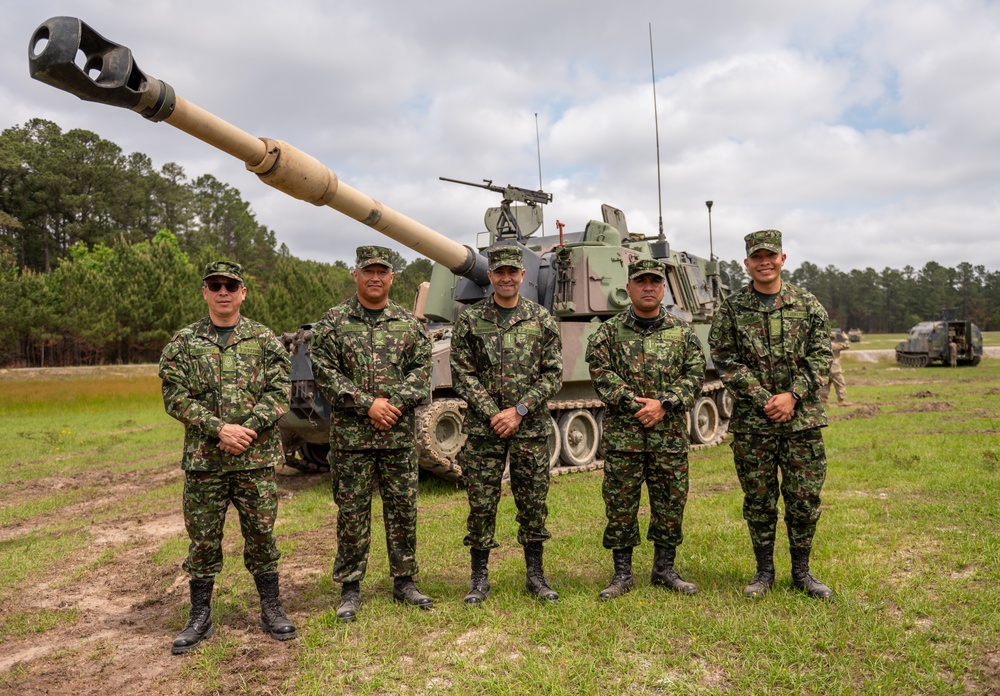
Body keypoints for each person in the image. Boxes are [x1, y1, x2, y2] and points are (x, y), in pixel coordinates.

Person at [159, 261, 297, 655]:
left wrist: (246, 429)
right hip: (206, 462)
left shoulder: (265, 339)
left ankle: (271, 608)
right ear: (205, 292)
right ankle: (199, 615)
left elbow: (280, 390)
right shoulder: (184, 342)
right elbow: (175, 395)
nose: (223, 291)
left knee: (262, 537)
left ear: (242, 293)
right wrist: (219, 429)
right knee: (203, 540)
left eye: (231, 285)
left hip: (254, 462)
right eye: (215, 285)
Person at [708, 230, 835, 600]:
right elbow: (725, 358)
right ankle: (764, 572)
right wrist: (765, 398)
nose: (765, 261)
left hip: (802, 421)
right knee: (759, 500)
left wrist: (793, 395)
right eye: (757, 256)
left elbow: (821, 356)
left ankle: (802, 571)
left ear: (783, 258)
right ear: (747, 263)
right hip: (754, 423)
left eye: (771, 255)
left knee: (803, 498)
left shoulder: (807, 304)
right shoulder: (732, 308)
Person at [310, 245, 433, 622]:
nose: (375, 277)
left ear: (392, 277)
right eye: (368, 271)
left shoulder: (409, 324)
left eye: (382, 271)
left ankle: (404, 581)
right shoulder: (333, 322)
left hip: (396, 439)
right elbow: (324, 372)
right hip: (352, 440)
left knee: (402, 511)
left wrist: (389, 404)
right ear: (356, 275)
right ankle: (350, 587)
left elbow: (423, 373)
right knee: (352, 513)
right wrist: (367, 404)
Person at [585, 259, 706, 601]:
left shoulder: (682, 331)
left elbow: (695, 374)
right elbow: (600, 372)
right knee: (620, 505)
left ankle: (664, 569)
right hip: (625, 438)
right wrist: (633, 403)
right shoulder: (608, 332)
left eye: (655, 281)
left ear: (664, 288)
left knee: (670, 503)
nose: (649, 287)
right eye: (642, 282)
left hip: (668, 437)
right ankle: (622, 573)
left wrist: (664, 403)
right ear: (629, 288)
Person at [450, 245, 563, 604]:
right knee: (481, 503)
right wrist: (493, 412)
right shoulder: (470, 320)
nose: (506, 278)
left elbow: (553, 373)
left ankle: (536, 575)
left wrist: (520, 410)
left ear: (523, 276)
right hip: (485, 431)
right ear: (491, 276)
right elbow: (461, 373)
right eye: (499, 272)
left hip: (529, 428)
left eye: (513, 272)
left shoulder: (540, 318)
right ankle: (479, 579)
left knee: (533, 502)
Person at [819, 330, 852, 406]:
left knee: (825, 386)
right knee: (840, 384)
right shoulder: (835, 346)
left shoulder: (822, 347)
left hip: (825, 369)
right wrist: (846, 338)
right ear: (835, 338)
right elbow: (847, 346)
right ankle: (841, 401)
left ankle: (823, 401)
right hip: (835, 369)